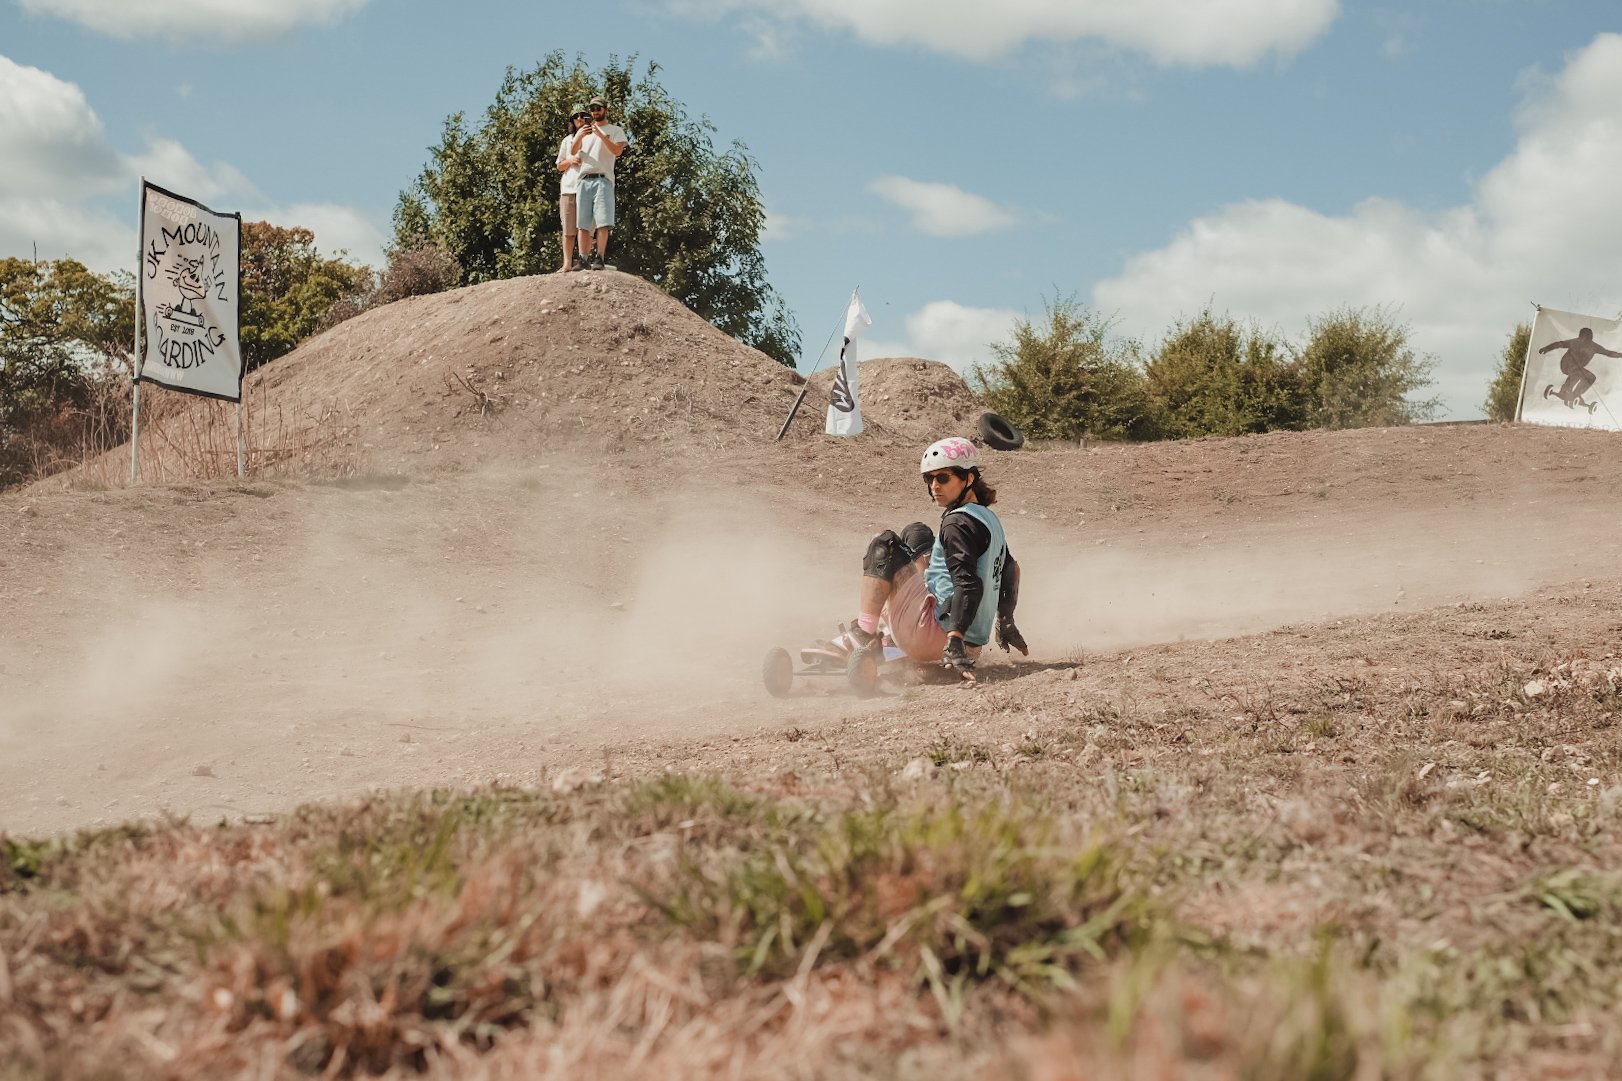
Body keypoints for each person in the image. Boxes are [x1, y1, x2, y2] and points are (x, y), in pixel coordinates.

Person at [849, 437, 1027, 682]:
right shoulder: (988, 519)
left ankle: (865, 634)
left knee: (886, 543)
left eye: (943, 478)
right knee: (917, 533)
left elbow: (968, 584)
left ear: (969, 478)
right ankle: (893, 628)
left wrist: (954, 641)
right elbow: (1010, 570)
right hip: (972, 644)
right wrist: (1006, 622)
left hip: (934, 636)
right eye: (929, 479)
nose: (935, 486)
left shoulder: (956, 524)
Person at [569, 96, 629, 271]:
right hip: (584, 179)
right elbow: (573, 152)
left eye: (598, 109)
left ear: (605, 110)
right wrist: (579, 135)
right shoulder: (585, 133)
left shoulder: (614, 130)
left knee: (603, 221)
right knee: (583, 222)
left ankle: (600, 257)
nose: (595, 112)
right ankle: (582, 258)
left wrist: (601, 135)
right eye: (592, 109)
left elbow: (617, 151)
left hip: (603, 179)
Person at [1540, 326, 1622, 407]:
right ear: (1580, 336)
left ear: (1589, 338)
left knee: (1590, 377)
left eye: (1585, 339)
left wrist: (1620, 355)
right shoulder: (1575, 342)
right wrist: (1546, 348)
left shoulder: (1593, 346)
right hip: (1567, 365)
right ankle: (1568, 391)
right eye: (1582, 338)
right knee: (1579, 373)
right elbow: (1559, 344)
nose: (1582, 341)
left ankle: (1573, 393)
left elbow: (1608, 353)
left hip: (1576, 368)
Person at [555, 105, 591, 272]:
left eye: (583, 116)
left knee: (585, 228)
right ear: (572, 120)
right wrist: (571, 161)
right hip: (569, 187)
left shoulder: (593, 138)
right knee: (569, 229)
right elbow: (559, 165)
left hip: (588, 185)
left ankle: (584, 261)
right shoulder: (567, 140)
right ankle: (567, 263)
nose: (579, 119)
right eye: (576, 117)